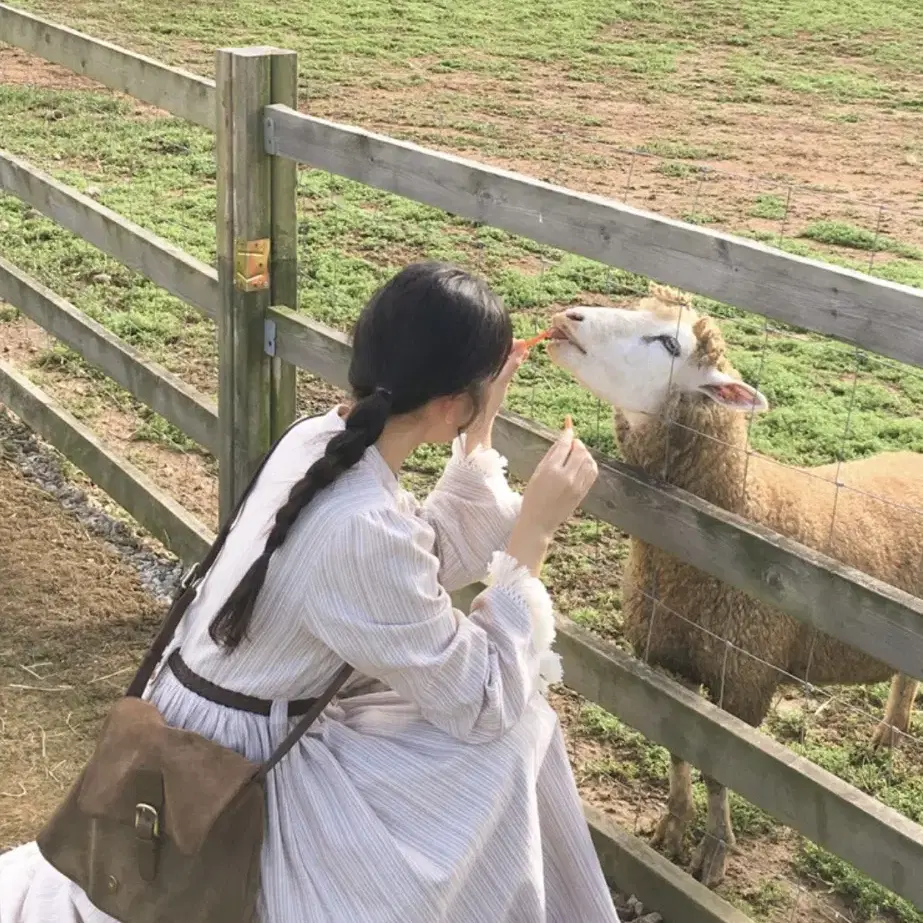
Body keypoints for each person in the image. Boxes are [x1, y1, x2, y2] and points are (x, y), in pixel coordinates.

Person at [0, 261, 619, 923]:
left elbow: (410, 563)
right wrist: (534, 533)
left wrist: (478, 429)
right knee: (508, 740)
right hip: (243, 767)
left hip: (217, 714)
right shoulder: (360, 522)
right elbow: (482, 699)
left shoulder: (317, 439)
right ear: (446, 403)